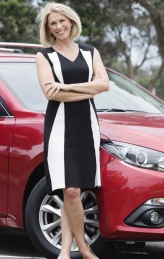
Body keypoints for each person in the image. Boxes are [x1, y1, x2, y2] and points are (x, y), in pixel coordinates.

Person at [35, 2, 109, 259]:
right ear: (49, 29)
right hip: (59, 127)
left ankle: (65, 251)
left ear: (71, 21)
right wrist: (88, 87)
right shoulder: (44, 56)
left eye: (61, 21)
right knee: (70, 190)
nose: (59, 26)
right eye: (53, 23)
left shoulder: (90, 52)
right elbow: (49, 92)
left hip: (86, 126)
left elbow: (105, 85)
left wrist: (65, 88)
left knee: (75, 190)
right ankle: (85, 249)